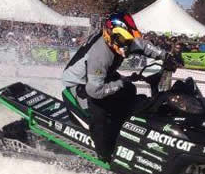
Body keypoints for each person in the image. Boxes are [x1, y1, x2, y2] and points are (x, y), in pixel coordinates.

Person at [62, 12, 176, 162]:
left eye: (128, 41)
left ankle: (123, 128)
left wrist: (165, 56)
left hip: (101, 76)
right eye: (122, 40)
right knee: (99, 113)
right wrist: (121, 82)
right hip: (81, 84)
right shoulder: (100, 54)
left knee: (130, 91)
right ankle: (105, 155)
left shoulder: (122, 40)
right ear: (110, 34)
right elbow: (94, 91)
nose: (126, 46)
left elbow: (142, 45)